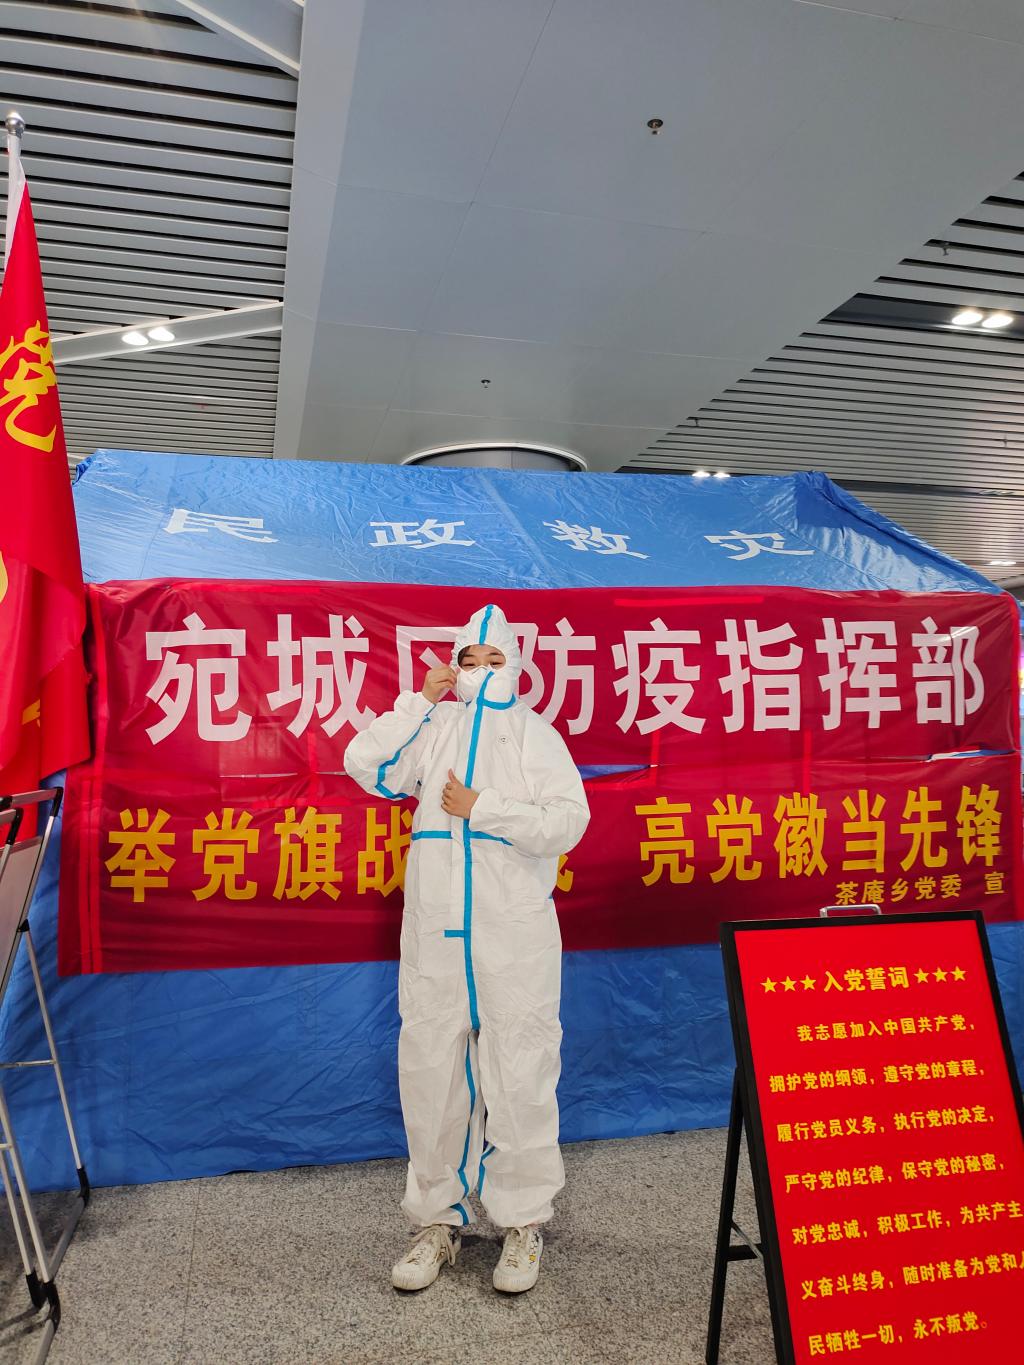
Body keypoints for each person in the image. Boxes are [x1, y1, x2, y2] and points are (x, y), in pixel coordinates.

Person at [344, 603, 590, 1294]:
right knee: (430, 1075)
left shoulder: (536, 736)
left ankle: (523, 1222)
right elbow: (366, 763)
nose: (481, 671)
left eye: (493, 659)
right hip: (437, 937)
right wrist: (418, 701)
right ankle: (436, 1223)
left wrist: (485, 808)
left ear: (516, 664)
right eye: (469, 660)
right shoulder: (436, 727)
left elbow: (567, 821)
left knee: (522, 1073)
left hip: (515, 940)